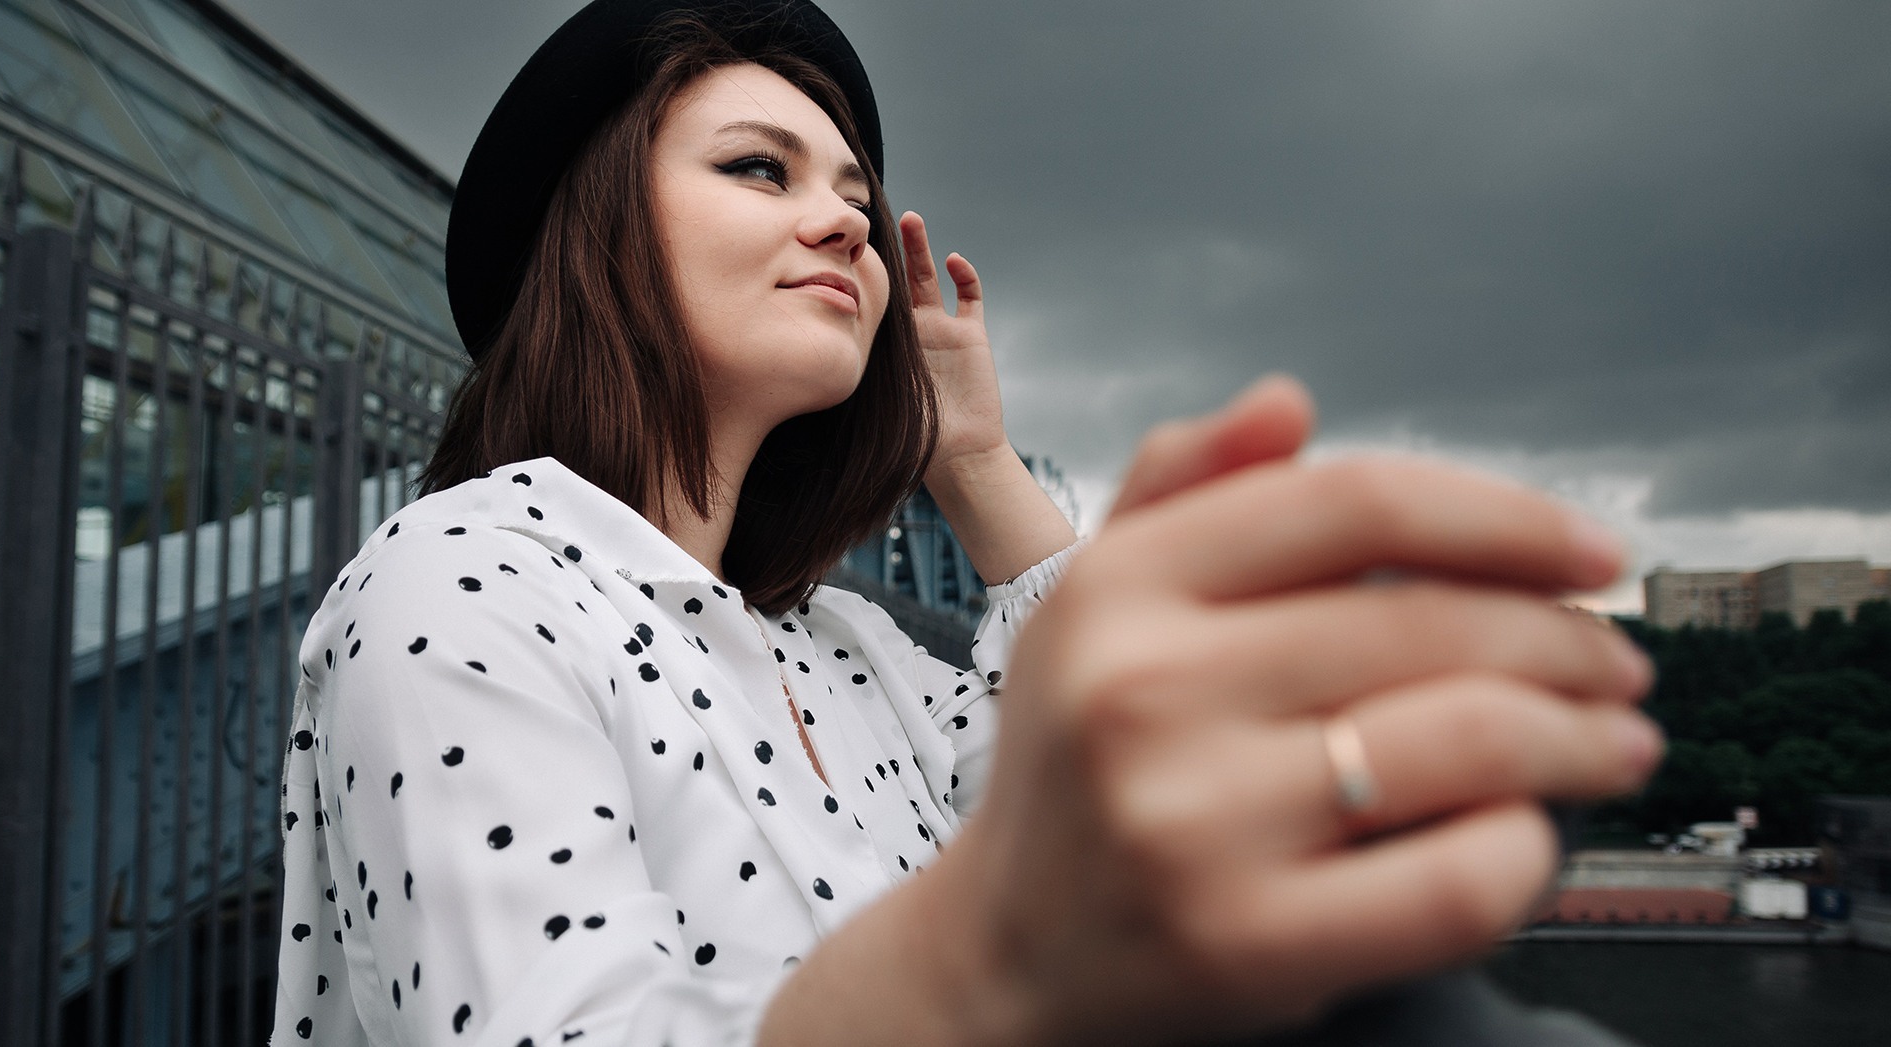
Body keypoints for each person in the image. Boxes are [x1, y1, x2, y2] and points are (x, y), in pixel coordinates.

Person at [271, 2, 1662, 1044]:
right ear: (596, 233)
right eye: (762, 170)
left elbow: (1071, 800)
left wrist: (977, 461)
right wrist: (979, 961)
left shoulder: (847, 650)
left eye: (857, 199)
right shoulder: (463, 584)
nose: (843, 225)